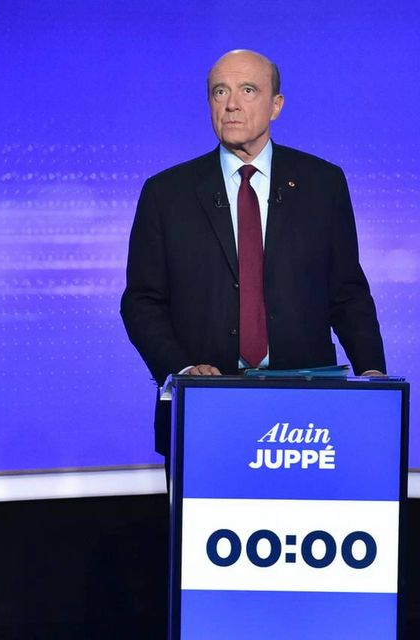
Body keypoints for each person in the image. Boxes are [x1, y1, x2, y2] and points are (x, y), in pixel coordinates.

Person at [120, 50, 385, 460]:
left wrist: (372, 373)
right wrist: (184, 371)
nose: (231, 104)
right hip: (203, 410)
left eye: (247, 90)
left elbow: (347, 291)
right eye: (219, 92)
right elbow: (141, 302)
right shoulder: (166, 193)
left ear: (276, 105)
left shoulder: (323, 184)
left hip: (306, 412)